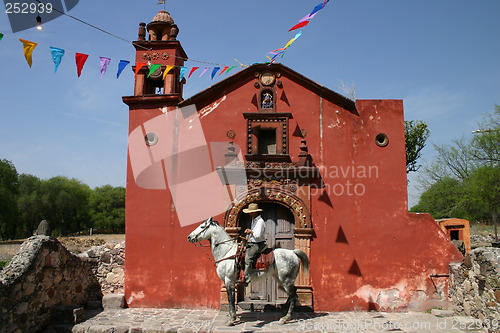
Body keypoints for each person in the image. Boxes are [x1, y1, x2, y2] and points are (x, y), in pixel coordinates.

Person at [239, 203, 267, 286]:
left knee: (248, 258)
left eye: (251, 212)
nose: (250, 214)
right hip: (252, 242)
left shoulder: (260, 222)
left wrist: (251, 232)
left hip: (258, 244)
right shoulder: (254, 220)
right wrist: (249, 232)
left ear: (256, 212)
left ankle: (246, 279)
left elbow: (258, 235)